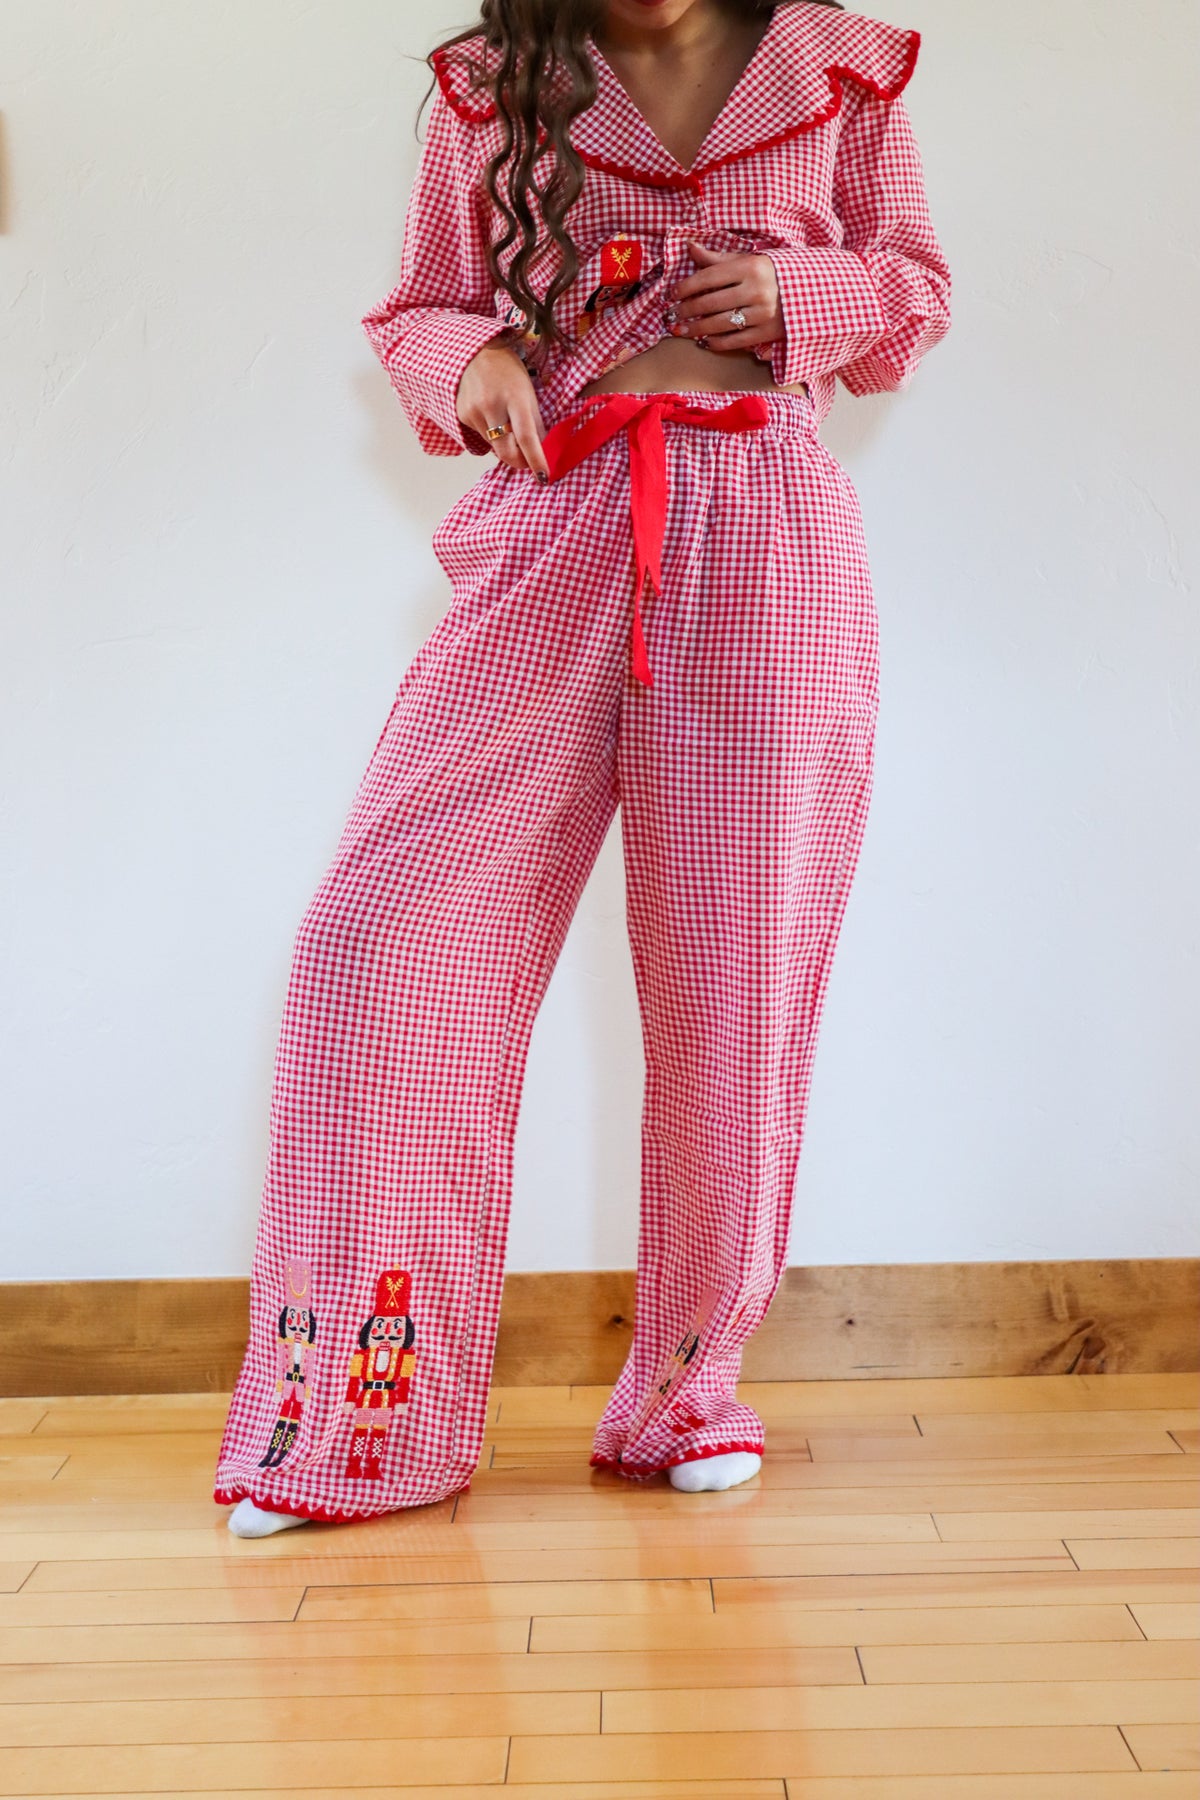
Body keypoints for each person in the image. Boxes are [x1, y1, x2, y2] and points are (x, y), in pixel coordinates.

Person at [215, 0, 951, 1536]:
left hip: (763, 532)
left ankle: (687, 1390)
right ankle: (355, 1422)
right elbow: (422, 306)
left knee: (734, 980)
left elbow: (914, 295)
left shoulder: (839, 68)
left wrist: (803, 291)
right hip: (556, 513)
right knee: (377, 946)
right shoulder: (491, 83)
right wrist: (473, 356)